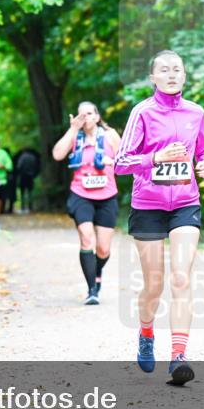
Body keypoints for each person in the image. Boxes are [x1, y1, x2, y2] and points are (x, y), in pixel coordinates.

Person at [114, 50, 204, 386]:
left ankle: (179, 357)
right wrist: (155, 157)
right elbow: (121, 162)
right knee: (155, 285)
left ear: (184, 76)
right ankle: (145, 334)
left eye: (177, 70)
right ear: (153, 77)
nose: (172, 74)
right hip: (148, 206)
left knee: (182, 279)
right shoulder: (142, 112)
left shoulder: (195, 113)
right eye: (164, 70)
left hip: (186, 203)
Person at [52, 102, 122, 305]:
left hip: (107, 196)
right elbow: (57, 154)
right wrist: (73, 128)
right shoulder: (75, 135)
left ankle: (97, 270)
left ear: (97, 117)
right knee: (86, 240)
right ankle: (92, 289)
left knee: (103, 249)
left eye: (89, 113)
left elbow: (127, 162)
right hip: (80, 194)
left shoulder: (110, 136)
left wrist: (113, 162)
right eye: (81, 115)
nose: (86, 118)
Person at [14, 147, 40, 214]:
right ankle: (30, 207)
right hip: (31, 177)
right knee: (30, 192)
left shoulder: (22, 157)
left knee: (22, 193)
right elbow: (37, 166)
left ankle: (23, 207)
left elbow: (18, 166)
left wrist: (18, 173)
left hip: (23, 177)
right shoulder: (33, 157)